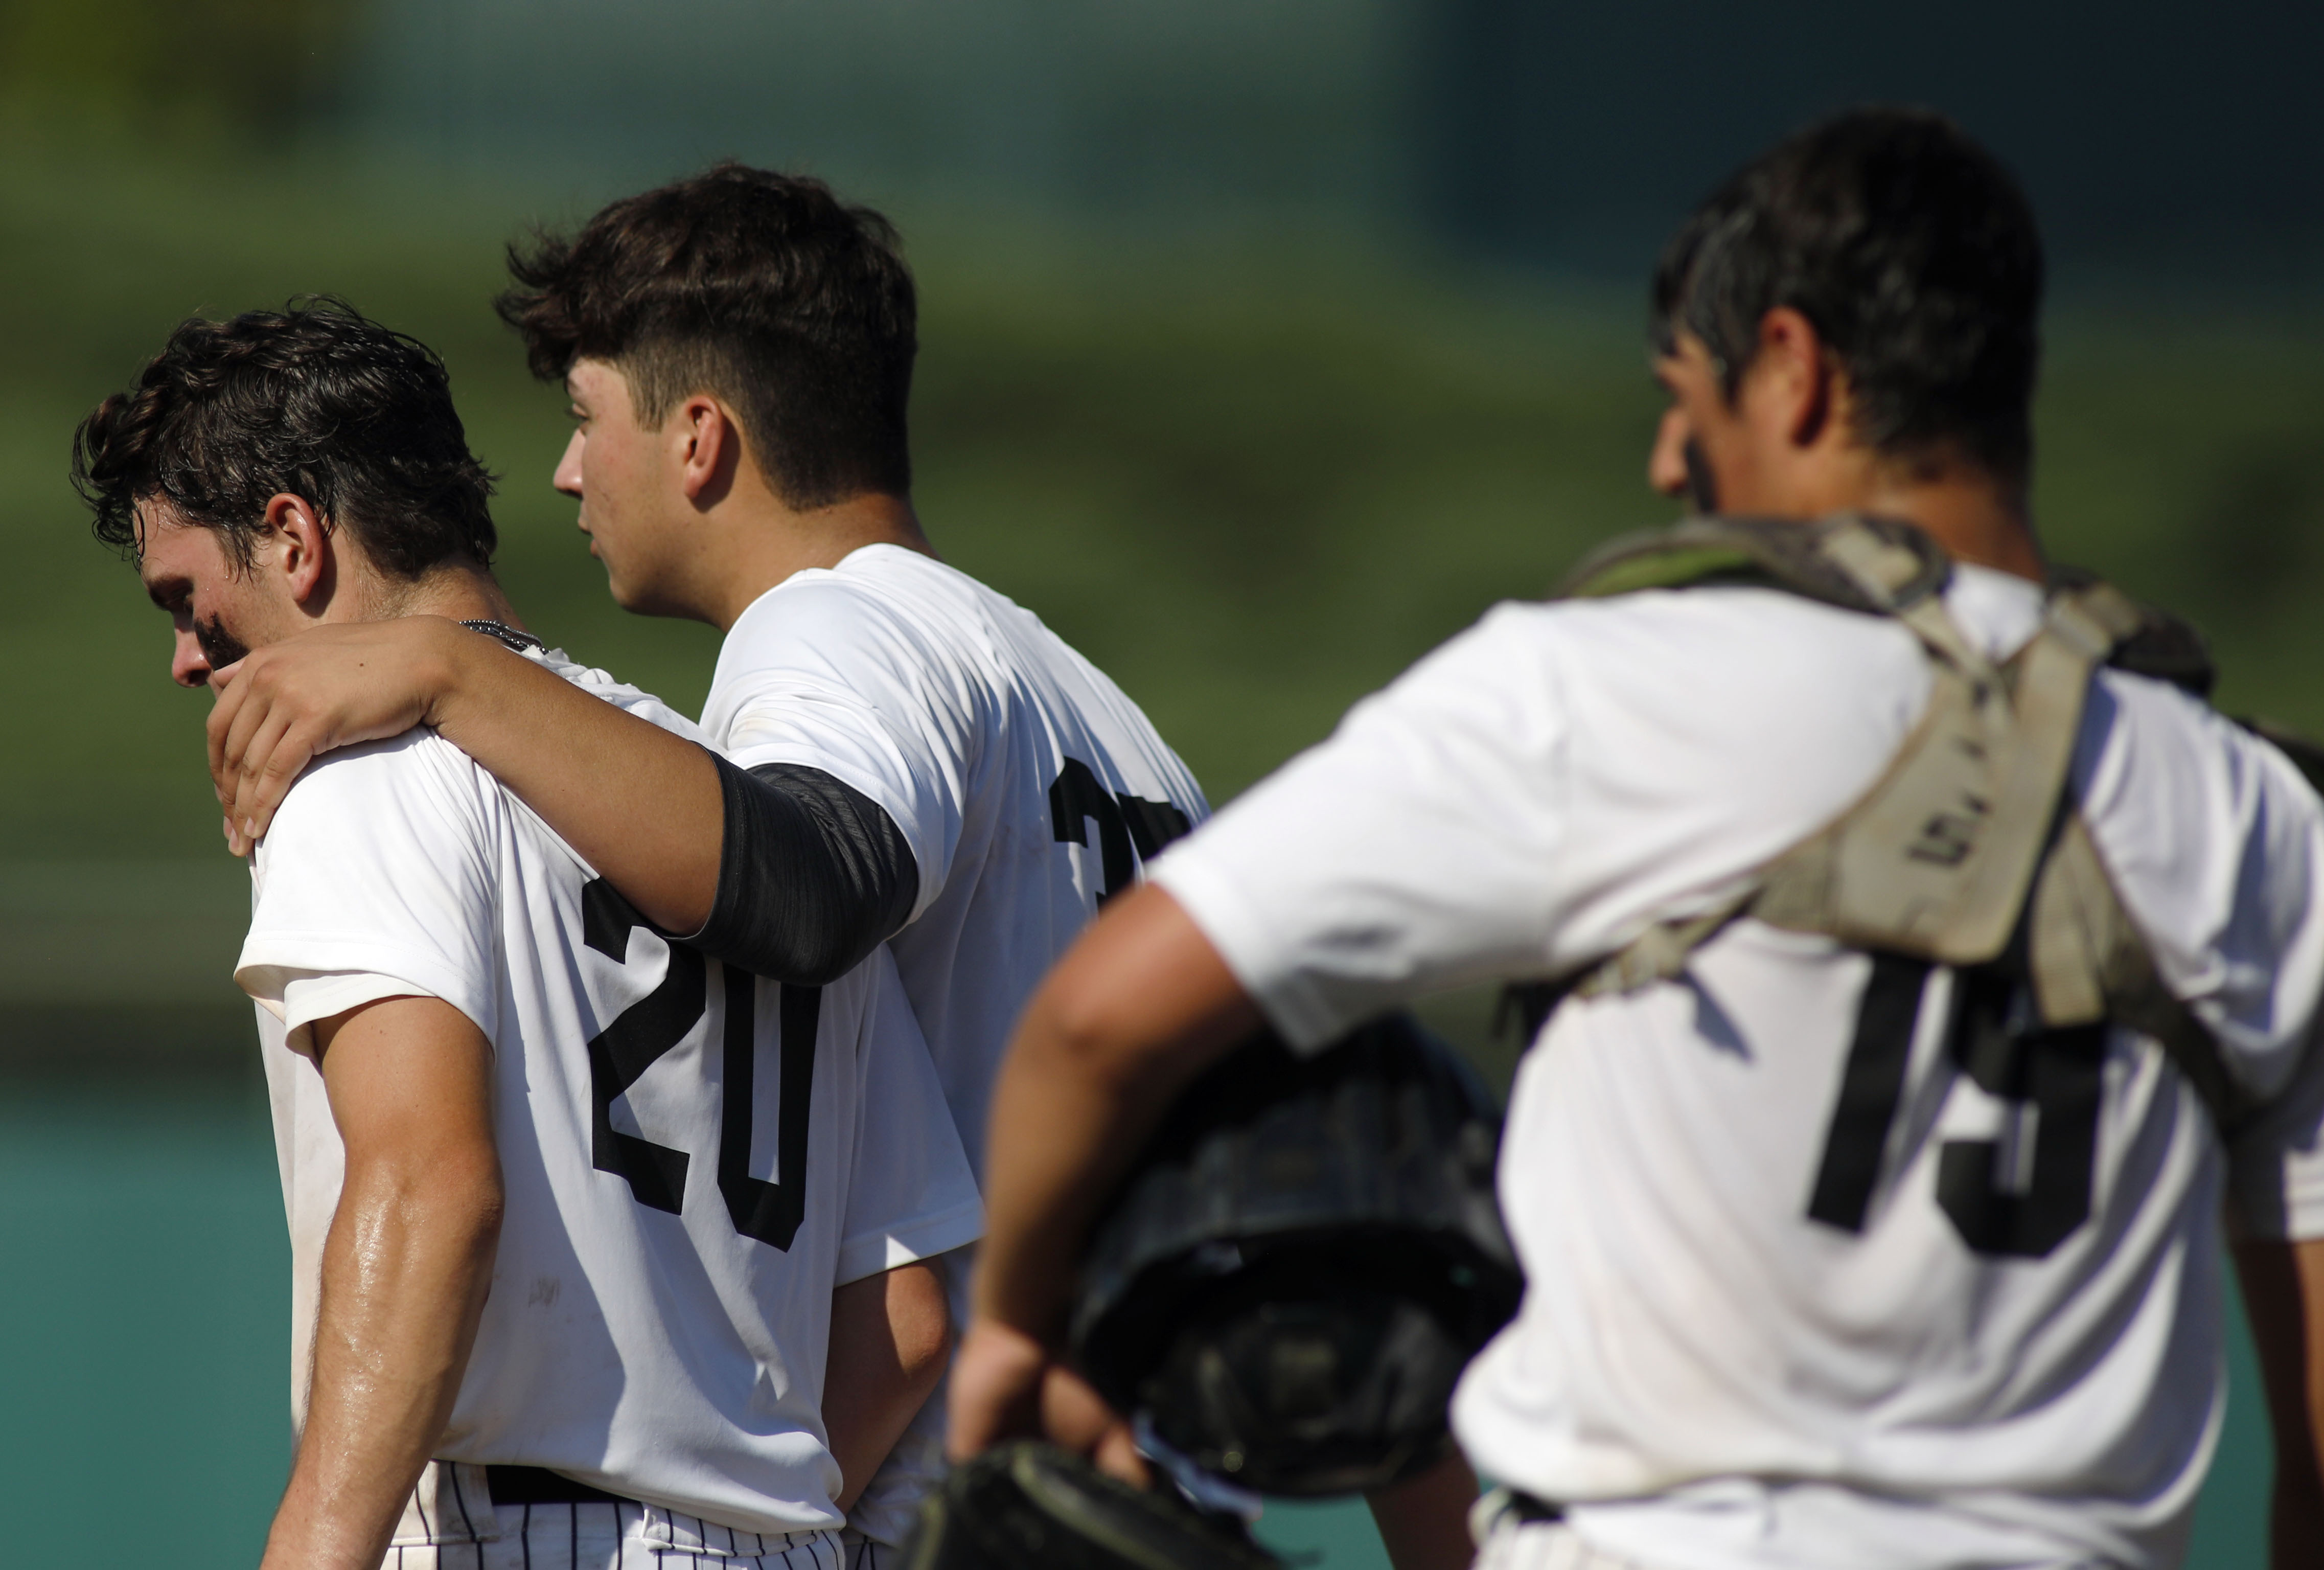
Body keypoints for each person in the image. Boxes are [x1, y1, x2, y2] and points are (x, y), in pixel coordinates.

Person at [948, 108, 2324, 1570]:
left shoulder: (1606, 692)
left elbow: (1098, 1023)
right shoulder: (2251, 812)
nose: (1671, 456)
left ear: (1793, 372)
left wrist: (1019, 1336)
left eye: (1686, 393)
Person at [196, 166, 1209, 1556]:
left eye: (584, 416)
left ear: (700, 441)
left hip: (987, 1503)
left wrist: (445, 666)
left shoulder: (840, 630)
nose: (562, 468)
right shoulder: (1118, 724)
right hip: (1162, 1491)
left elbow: (810, 886)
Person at [74, 301, 983, 1570]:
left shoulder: (357, 771)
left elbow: (431, 1189)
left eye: (188, 598)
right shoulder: (720, 807)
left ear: (292, 539)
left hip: (509, 1530)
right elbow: (904, 1315)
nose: (184, 657)